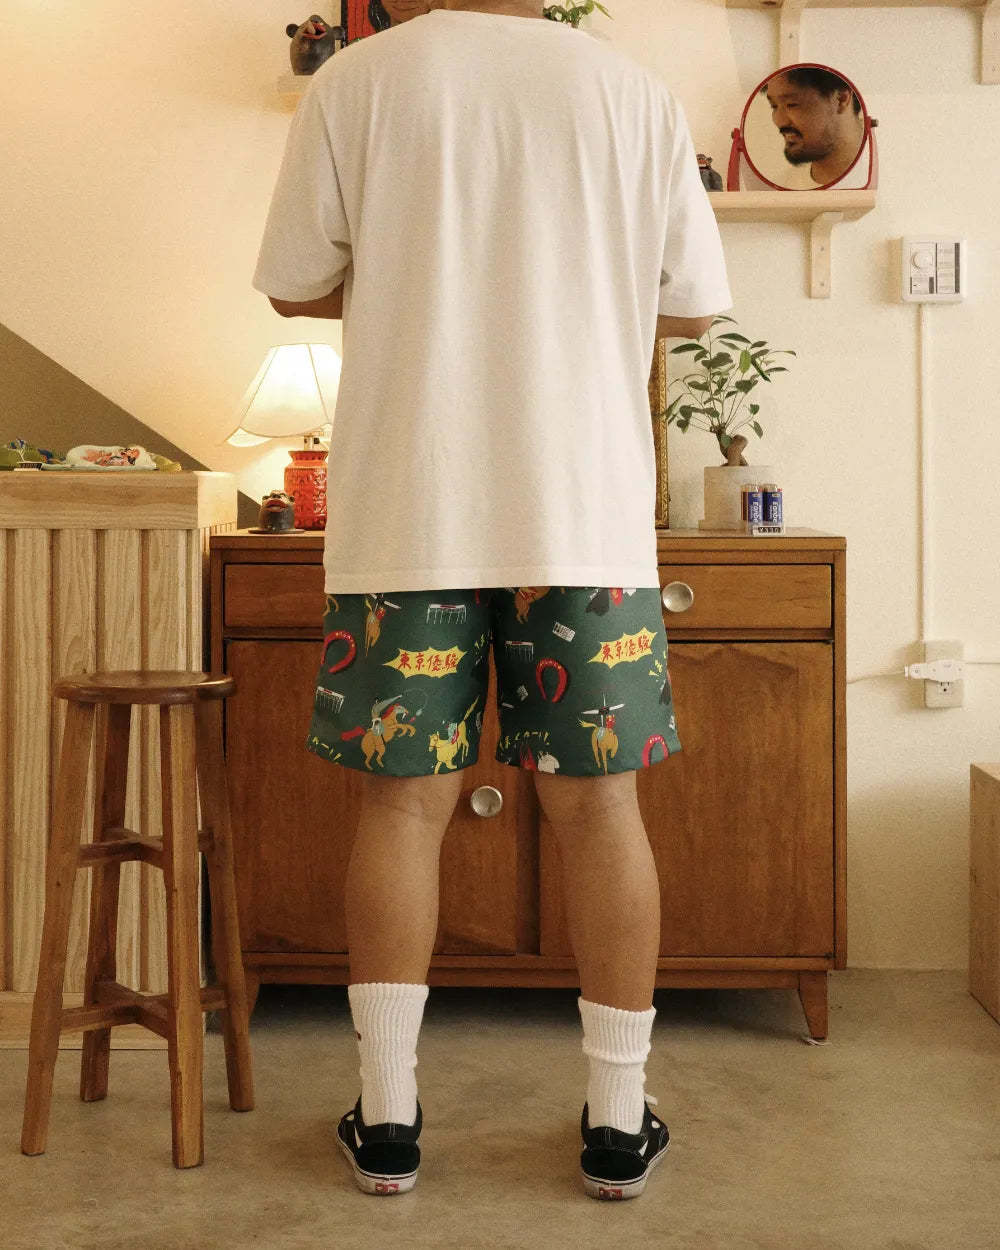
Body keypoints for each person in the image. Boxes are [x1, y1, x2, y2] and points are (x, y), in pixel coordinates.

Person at [252, 0, 731, 1202]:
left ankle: (388, 1117)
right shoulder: (631, 93)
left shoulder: (358, 81)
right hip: (584, 510)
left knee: (400, 808)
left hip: (408, 506)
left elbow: (293, 287)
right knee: (602, 810)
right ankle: (615, 1123)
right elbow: (689, 301)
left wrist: (416, 279)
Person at [762, 66, 865, 187]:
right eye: (774, 106)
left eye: (792, 104)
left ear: (841, 99)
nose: (779, 121)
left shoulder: (884, 169)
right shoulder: (784, 188)